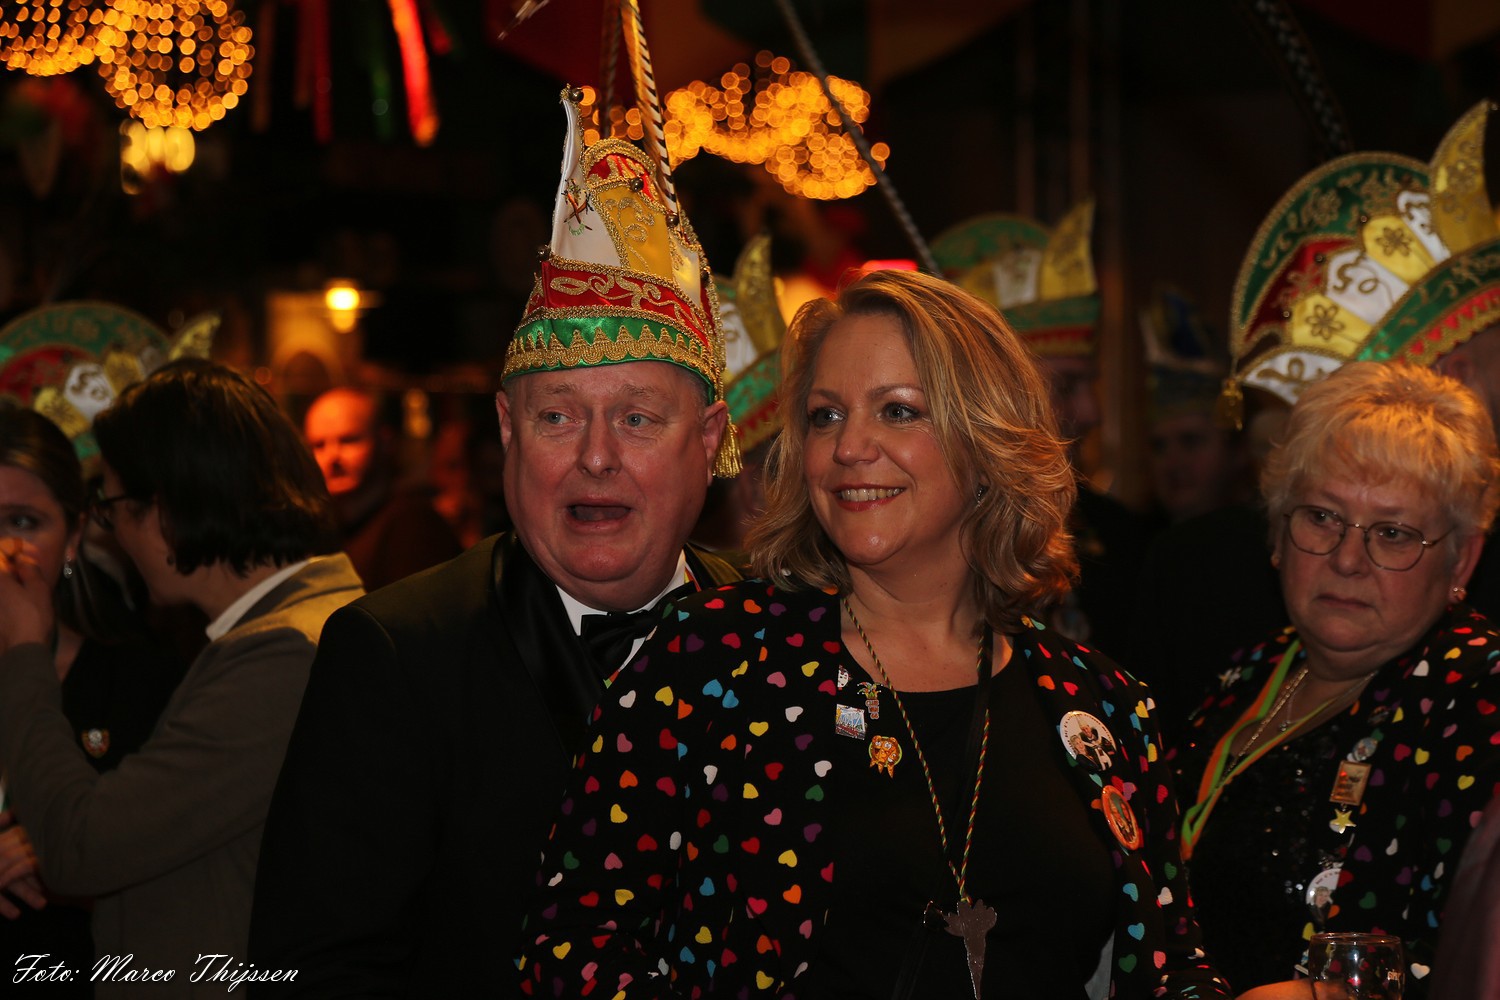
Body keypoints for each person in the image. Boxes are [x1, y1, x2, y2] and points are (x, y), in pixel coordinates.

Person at [518, 269, 1230, 998]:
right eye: (825, 416)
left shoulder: (1102, 706)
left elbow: (1170, 966)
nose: (850, 446)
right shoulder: (709, 662)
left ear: (987, 444)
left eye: (897, 411)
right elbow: (574, 943)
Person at [247, 83, 745, 996]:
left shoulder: (776, 638)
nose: (596, 457)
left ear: (709, 442)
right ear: (509, 432)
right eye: (558, 416)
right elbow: (311, 969)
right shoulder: (397, 656)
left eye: (638, 418)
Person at [0, 360, 362, 995]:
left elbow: (81, 847)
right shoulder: (278, 635)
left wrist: (25, 648)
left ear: (165, 507)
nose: (115, 535)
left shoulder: (287, 653)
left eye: (114, 508)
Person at [1171, 362, 1500, 997]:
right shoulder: (1251, 671)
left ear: (1462, 559)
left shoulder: (1479, 697)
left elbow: (1479, 954)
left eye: (1393, 533)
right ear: (1277, 530)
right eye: (1322, 517)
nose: (1347, 559)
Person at [0, 407, 185, 993]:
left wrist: (61, 853)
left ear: (74, 537)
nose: (1, 549)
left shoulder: (144, 682)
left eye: (23, 522)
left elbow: (179, 874)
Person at [932, 201, 1149, 655]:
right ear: (992, 399)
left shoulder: (1118, 536)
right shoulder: (923, 535)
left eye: (1088, 383)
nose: (1090, 411)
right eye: (1065, 386)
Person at [302, 386, 461, 591]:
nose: (332, 456)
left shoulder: (414, 525)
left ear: (384, 441)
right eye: (318, 445)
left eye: (349, 440)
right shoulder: (322, 530)